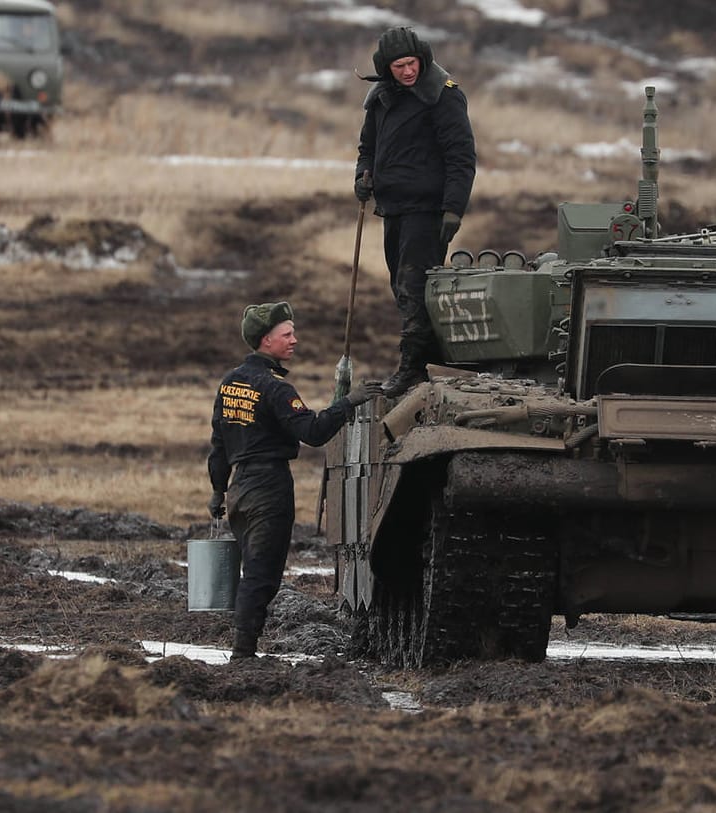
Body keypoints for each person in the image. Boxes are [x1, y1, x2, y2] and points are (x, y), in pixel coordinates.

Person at [206, 302, 381, 660]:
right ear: (266, 339)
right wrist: (348, 402)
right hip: (269, 488)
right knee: (261, 574)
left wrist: (218, 490)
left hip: (240, 489)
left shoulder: (230, 384)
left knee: (253, 570)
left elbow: (219, 443)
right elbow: (313, 432)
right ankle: (242, 654)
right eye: (287, 334)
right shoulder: (276, 388)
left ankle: (244, 647)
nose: (294, 340)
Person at [355, 26, 476, 397]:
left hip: (428, 209)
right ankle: (424, 361)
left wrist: (453, 208)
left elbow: (461, 157)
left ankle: (411, 368)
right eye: (399, 66)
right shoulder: (380, 98)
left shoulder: (443, 95)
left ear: (422, 59)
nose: (407, 71)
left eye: (412, 63)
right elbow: (367, 147)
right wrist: (363, 176)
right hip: (393, 207)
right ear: (386, 67)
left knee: (414, 286)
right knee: (400, 287)